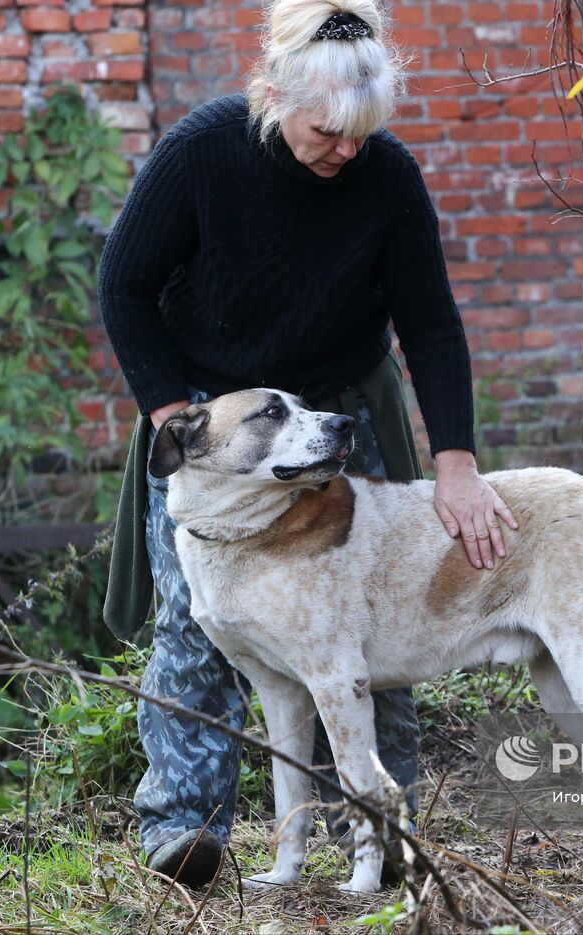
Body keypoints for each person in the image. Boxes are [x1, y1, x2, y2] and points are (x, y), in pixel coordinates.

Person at [95, 0, 519, 887]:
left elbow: (432, 325)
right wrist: (178, 417)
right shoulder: (203, 152)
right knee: (195, 619)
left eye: (366, 132)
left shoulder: (388, 178)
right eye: (330, 131)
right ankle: (186, 827)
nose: (349, 150)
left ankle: (384, 827)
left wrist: (456, 465)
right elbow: (124, 286)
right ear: (274, 92)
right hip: (218, 423)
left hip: (341, 410)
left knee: (382, 616)